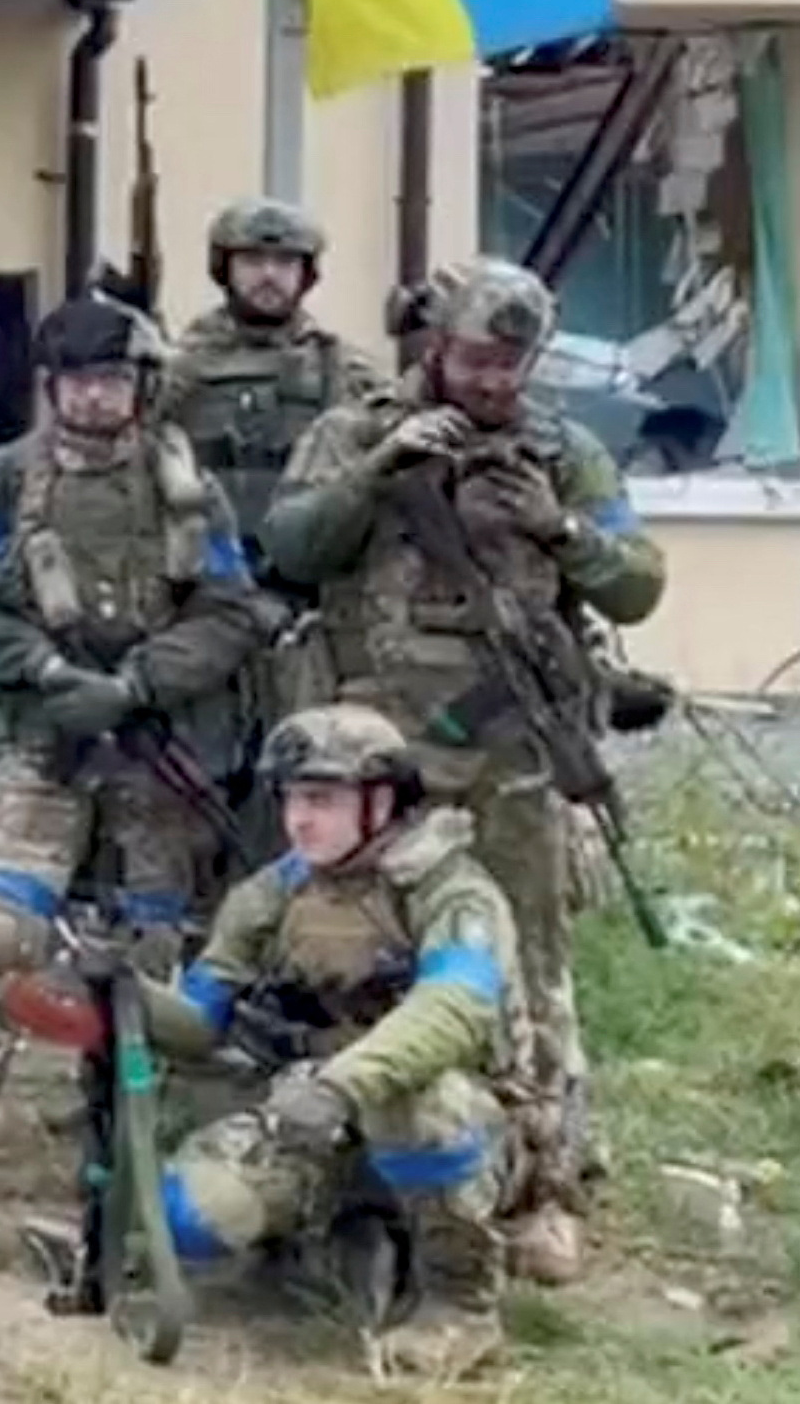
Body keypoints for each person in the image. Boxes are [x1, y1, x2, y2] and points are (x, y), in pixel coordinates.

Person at [261, 257, 663, 1276]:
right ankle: (365, 1174)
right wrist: (379, 469)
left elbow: (639, 586)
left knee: (529, 963)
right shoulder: (357, 426)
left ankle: (542, 1183)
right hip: (379, 756)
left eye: (513, 361)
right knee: (357, 950)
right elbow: (292, 545)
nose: (494, 379)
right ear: (436, 343)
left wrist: (558, 528)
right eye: (479, 356)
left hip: (513, 751)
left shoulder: (562, 449)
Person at [0, 299, 274, 1176]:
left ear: (142, 386)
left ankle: (129, 1140)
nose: (95, 398)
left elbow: (230, 610)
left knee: (150, 954)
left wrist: (137, 684)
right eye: (79, 381)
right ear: (51, 387)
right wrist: (46, 675)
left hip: (157, 753)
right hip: (45, 746)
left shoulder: (185, 487)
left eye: (113, 380)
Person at [137, 705, 527, 1379]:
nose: (298, 820)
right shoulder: (275, 891)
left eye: (321, 799)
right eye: (290, 799)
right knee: (186, 1219)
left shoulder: (449, 888)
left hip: (456, 1115)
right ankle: (336, 1239)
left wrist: (343, 1083)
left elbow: (451, 1009)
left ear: (381, 801)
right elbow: (199, 1020)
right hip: (313, 1115)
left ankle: (460, 1305)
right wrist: (116, 994)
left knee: (408, 1103)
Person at [155, 199, 387, 563]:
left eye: (284, 262)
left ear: (306, 274)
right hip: (207, 575)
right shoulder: (178, 368)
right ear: (224, 269)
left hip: (309, 577)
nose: (268, 274)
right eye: (251, 260)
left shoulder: (344, 369)